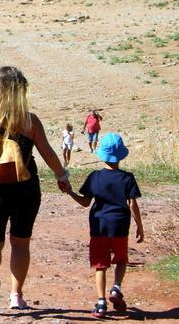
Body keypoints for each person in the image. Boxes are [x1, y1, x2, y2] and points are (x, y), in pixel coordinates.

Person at [0, 66, 71, 312]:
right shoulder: (29, 120)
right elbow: (47, 153)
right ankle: (16, 296)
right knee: (20, 243)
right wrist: (62, 176)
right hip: (26, 189)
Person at [68, 132, 144, 319]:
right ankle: (116, 288)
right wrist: (140, 226)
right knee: (121, 259)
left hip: (99, 227)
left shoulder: (94, 177)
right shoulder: (128, 178)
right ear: (121, 155)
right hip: (120, 226)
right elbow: (132, 204)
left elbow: (85, 202)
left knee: (100, 265)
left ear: (102, 154)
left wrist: (69, 191)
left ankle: (101, 303)